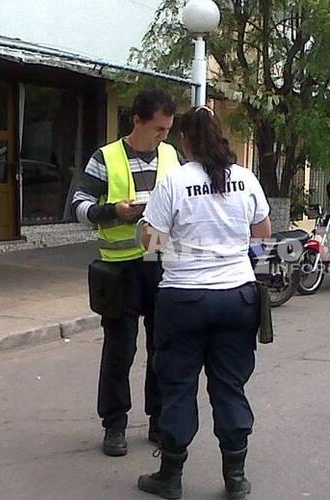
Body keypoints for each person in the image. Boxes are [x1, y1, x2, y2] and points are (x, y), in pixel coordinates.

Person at [136, 106, 271, 500]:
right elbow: (261, 234)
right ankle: (236, 477)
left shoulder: (174, 181)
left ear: (186, 140)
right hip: (237, 297)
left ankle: (171, 476)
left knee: (177, 386)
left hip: (184, 299)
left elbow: (153, 243)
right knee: (230, 385)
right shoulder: (245, 180)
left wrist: (144, 228)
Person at [71, 89, 181, 457]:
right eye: (158, 129)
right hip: (118, 268)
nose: (163, 136)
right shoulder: (106, 157)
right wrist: (112, 212)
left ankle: (158, 419)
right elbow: (79, 206)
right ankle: (114, 425)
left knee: (161, 347)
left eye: (167, 129)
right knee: (120, 349)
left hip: (158, 261)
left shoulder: (170, 157)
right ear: (136, 120)